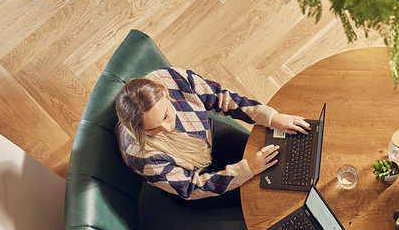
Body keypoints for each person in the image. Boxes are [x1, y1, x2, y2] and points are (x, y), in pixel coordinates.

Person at [115, 67, 311, 202]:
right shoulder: (143, 157)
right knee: (265, 190)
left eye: (166, 116)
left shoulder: (170, 79)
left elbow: (220, 98)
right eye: (152, 129)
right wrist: (248, 168)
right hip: (194, 183)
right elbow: (193, 188)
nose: (167, 129)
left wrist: (271, 117)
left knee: (282, 159)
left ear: (165, 93)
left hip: (208, 136)